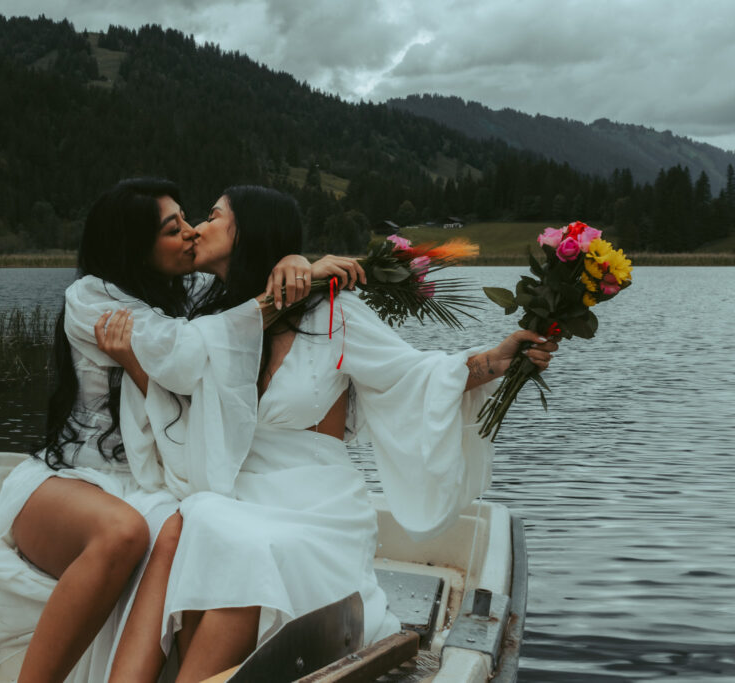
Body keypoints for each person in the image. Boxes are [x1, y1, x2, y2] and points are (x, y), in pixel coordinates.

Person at [0, 178, 342, 683]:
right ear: (135, 245)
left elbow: (222, 311)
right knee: (123, 532)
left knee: (198, 527)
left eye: (191, 221)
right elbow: (187, 354)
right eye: (174, 229)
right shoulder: (91, 299)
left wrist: (292, 262)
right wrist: (274, 299)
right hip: (71, 481)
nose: (192, 234)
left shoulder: (187, 297)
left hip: (144, 483)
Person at [100, 185, 559, 682]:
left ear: (249, 230)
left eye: (213, 216)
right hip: (237, 489)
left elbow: (413, 374)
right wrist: (129, 358)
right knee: (198, 520)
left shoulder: (331, 315)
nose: (198, 228)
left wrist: (495, 361)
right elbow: (178, 413)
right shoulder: (213, 327)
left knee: (222, 532)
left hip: (316, 500)